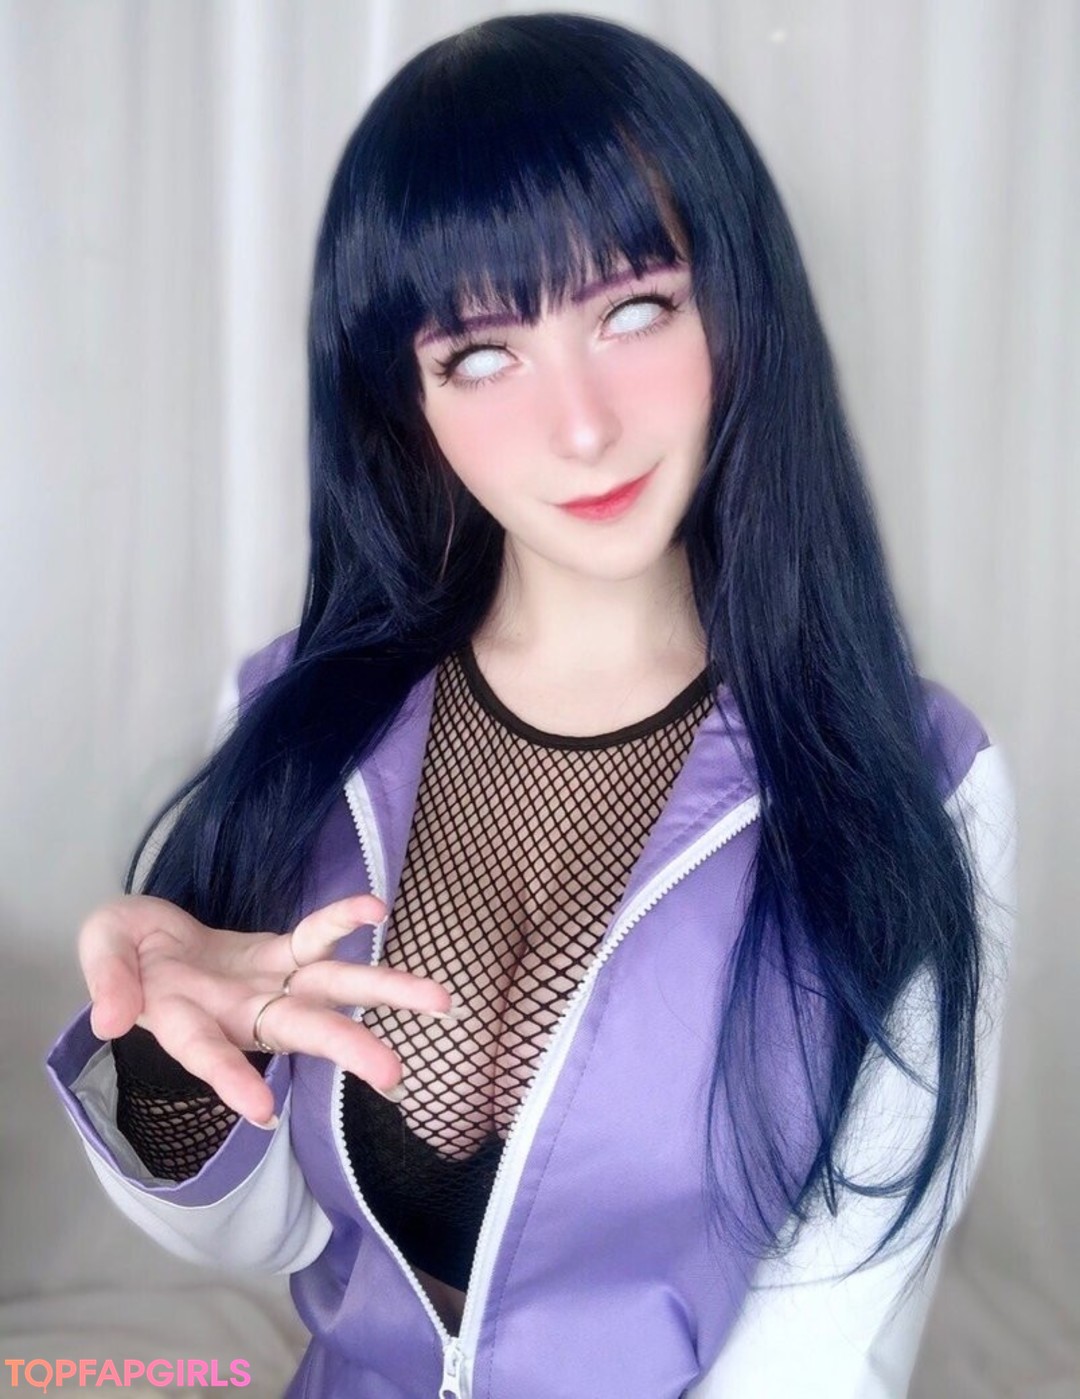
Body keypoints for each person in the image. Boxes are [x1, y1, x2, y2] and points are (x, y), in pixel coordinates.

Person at [46, 12, 1017, 1398]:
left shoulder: (914, 779)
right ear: (407, 402)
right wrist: (166, 1059)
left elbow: (827, 1348)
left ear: (737, 310)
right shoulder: (295, 720)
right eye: (483, 355)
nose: (582, 427)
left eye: (635, 310)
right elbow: (276, 1235)